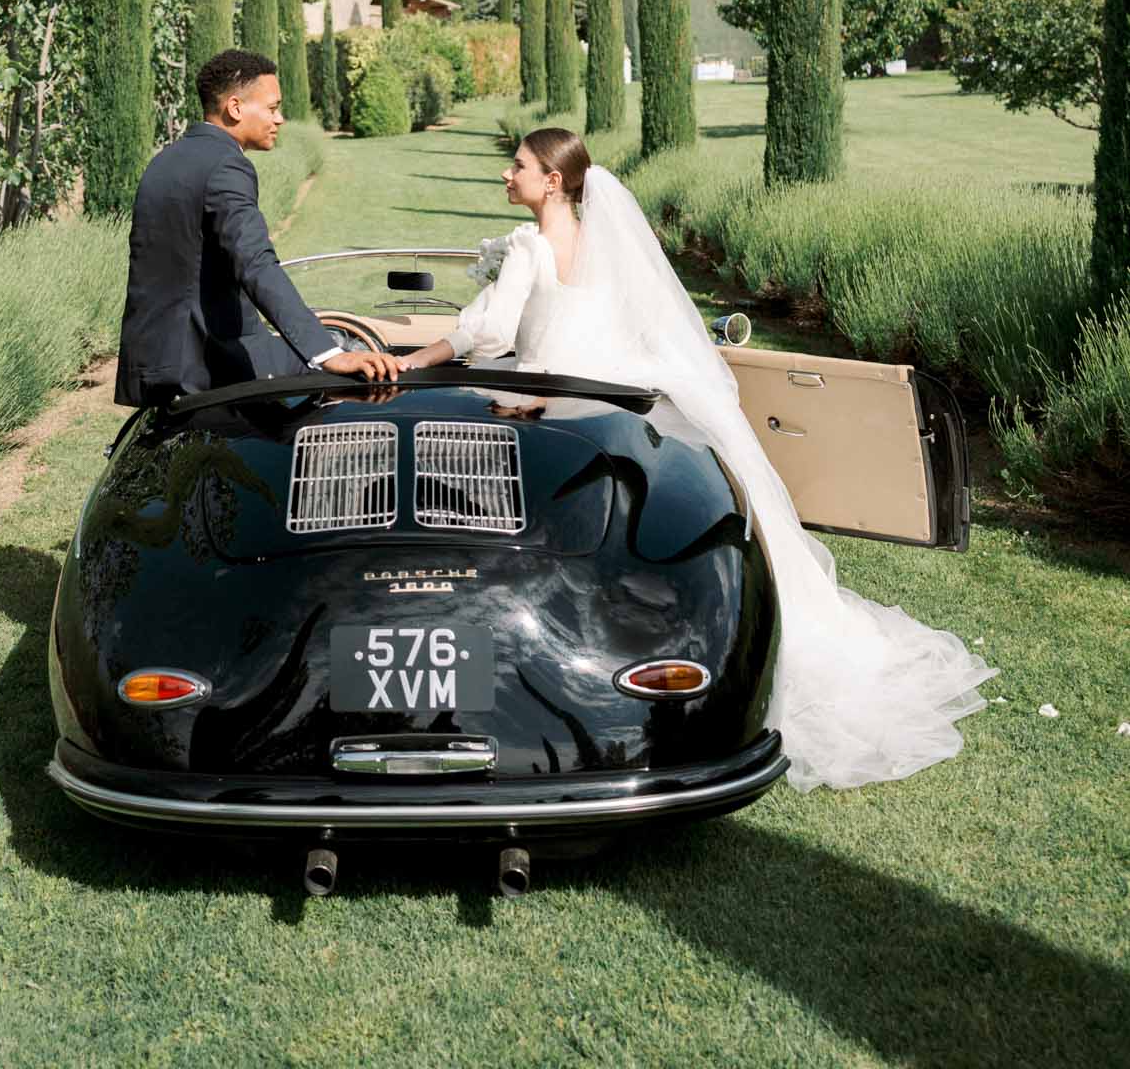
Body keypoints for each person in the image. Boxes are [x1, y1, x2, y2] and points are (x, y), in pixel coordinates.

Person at [400, 126, 997, 793]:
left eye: (518, 167)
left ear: (552, 181)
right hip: (609, 404)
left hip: (544, 406)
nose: (507, 176)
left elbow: (488, 330)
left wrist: (417, 361)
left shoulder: (527, 245)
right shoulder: (606, 248)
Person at [114, 49, 401, 407]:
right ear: (235, 108)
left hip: (150, 363)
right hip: (206, 364)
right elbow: (255, 264)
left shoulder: (164, 161)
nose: (280, 119)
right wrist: (329, 354)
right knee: (346, 384)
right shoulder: (226, 166)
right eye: (272, 108)